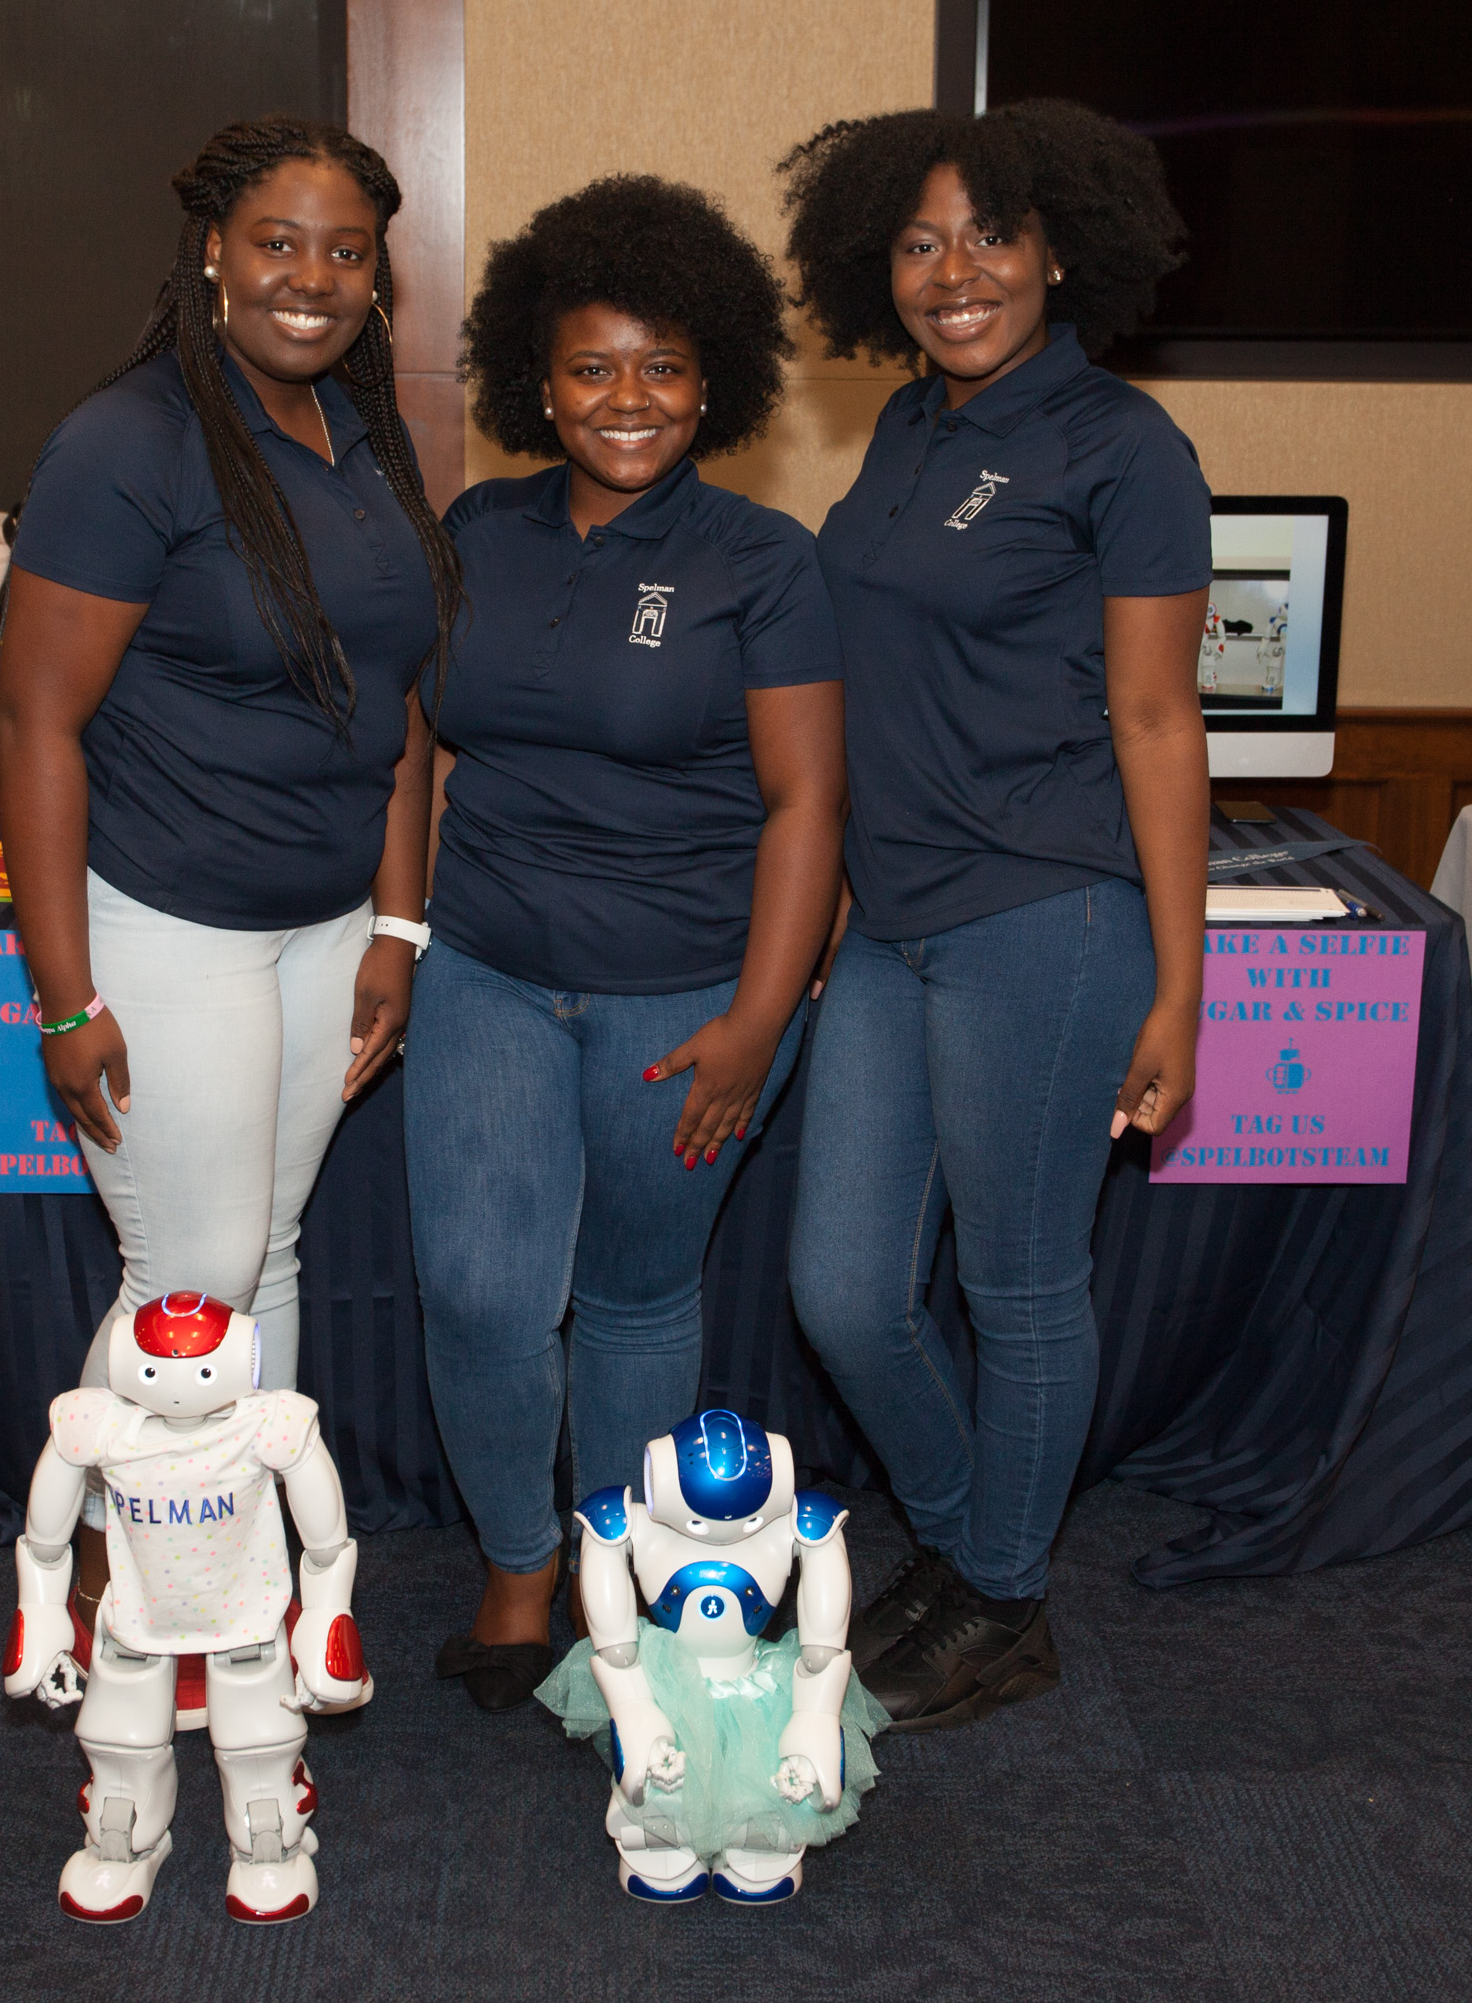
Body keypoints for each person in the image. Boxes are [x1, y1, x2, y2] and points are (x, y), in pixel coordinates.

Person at [0, 115, 462, 1673]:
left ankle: (227, 1575)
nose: (309, 279)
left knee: (260, 1264)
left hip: (324, 928)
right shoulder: (126, 443)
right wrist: (65, 994)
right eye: (277, 242)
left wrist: (396, 921)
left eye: (346, 251)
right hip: (166, 925)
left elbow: (396, 701)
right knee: (189, 1283)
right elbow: (38, 723)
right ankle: (115, 1589)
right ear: (211, 250)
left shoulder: (360, 432)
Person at [779, 101, 1212, 1729]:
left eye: (987, 236)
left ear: (1057, 252)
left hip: (1045, 915)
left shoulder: (1122, 447)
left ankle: (1002, 1599)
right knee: (842, 1291)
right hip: (892, 922)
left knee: (1020, 1291)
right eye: (916, 242)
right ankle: (975, 1546)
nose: (952, 272)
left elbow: (1156, 719)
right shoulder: (907, 428)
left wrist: (1180, 985)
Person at [405, 176, 847, 1710]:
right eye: (590, 367)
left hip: (690, 994)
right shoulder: (478, 529)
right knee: (479, 1291)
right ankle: (519, 1564)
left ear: (710, 380)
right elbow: (422, 741)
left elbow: (806, 804)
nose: (627, 398)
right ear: (538, 384)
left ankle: (631, 1572)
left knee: (641, 1294)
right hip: (487, 969)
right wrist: (401, 926)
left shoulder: (761, 560)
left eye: (661, 366)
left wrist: (758, 1019)